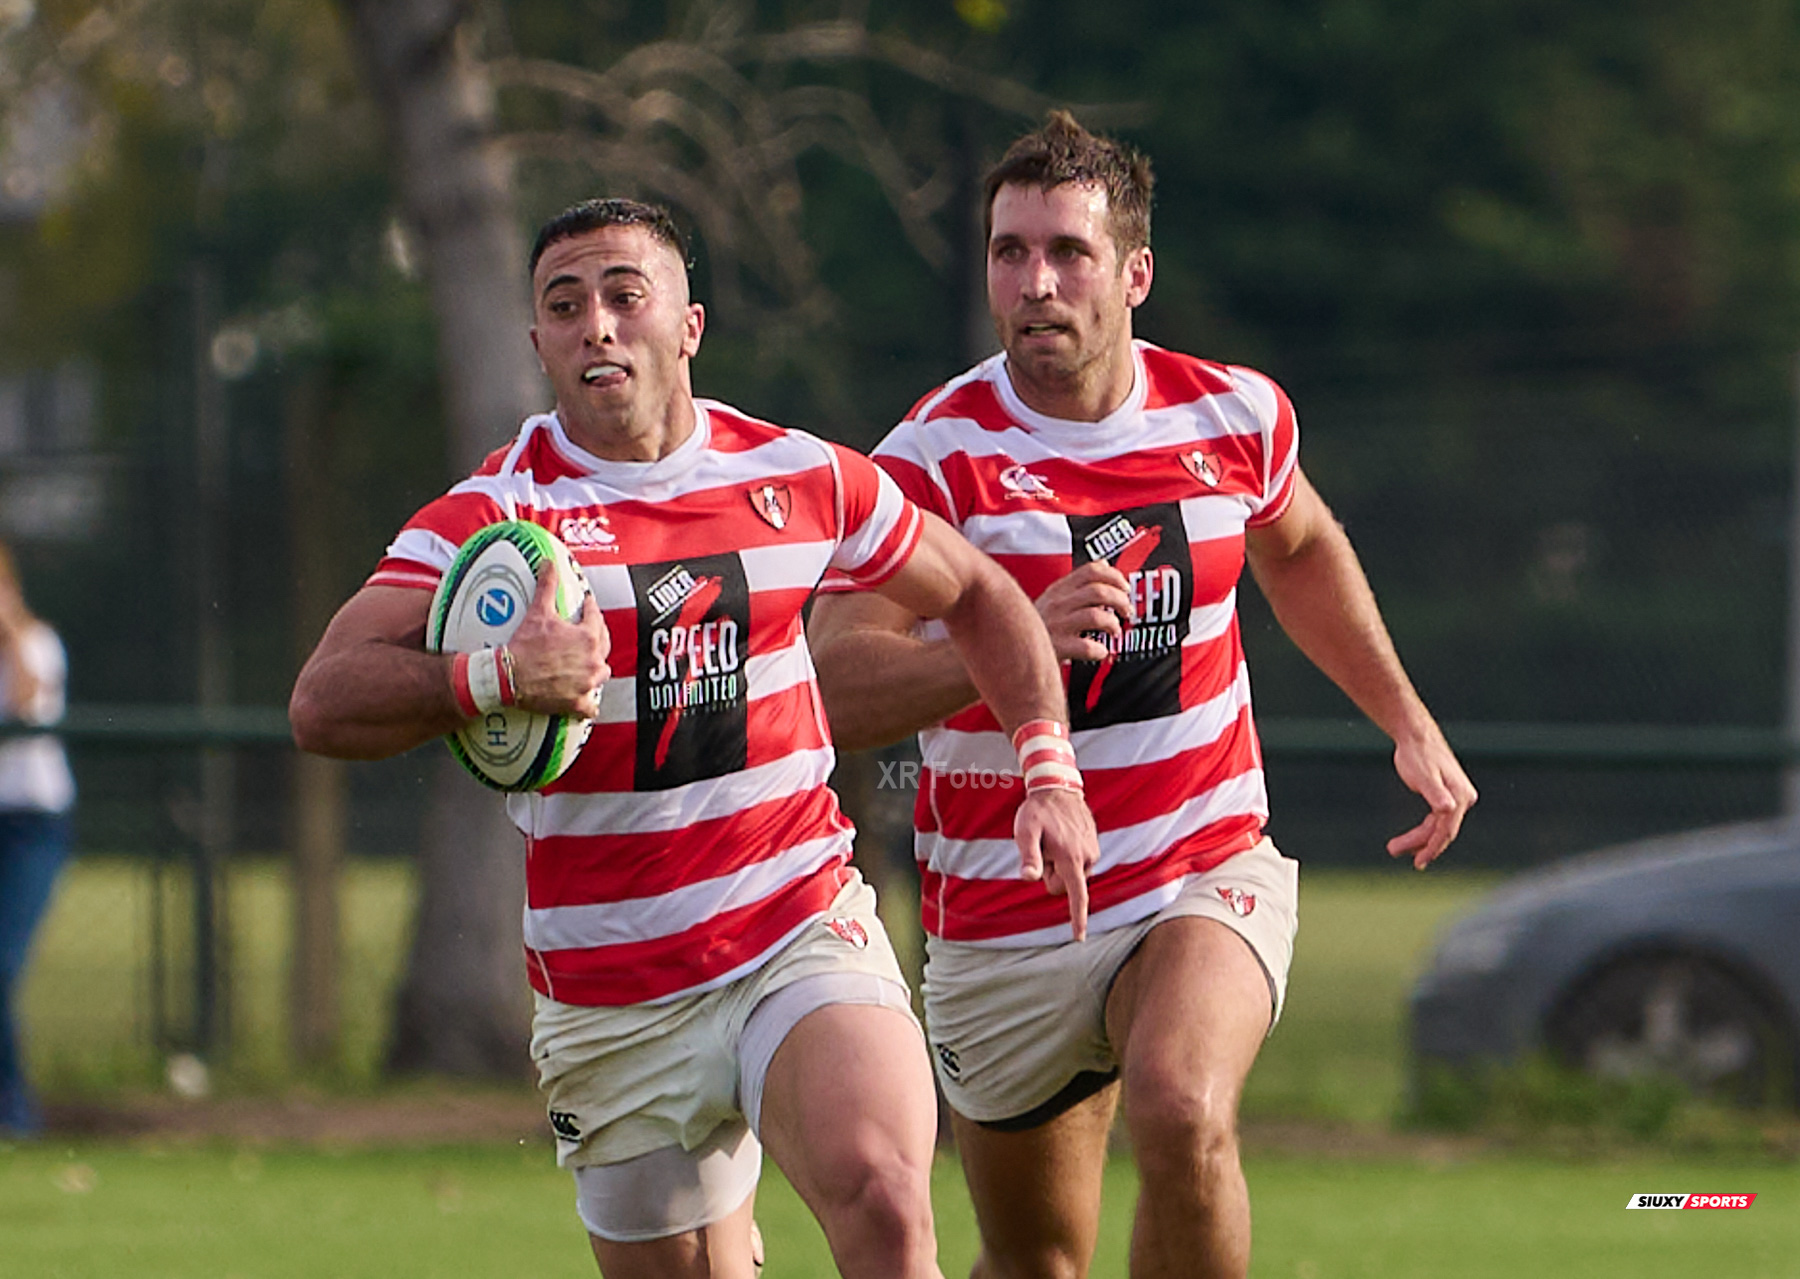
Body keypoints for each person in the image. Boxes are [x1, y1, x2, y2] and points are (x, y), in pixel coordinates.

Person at [289, 197, 1098, 1279]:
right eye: (565, 307)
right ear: (537, 344)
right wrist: (493, 674)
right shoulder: (490, 519)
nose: (598, 327)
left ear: (689, 324)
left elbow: (984, 593)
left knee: (888, 1198)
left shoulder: (799, 476)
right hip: (610, 988)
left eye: (625, 295)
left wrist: (1049, 770)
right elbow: (322, 700)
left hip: (792, 928)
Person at [807, 112, 1478, 1279]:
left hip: (1198, 859)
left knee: (1181, 1102)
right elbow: (835, 682)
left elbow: (1302, 548)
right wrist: (1007, 642)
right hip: (1010, 912)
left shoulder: (1233, 417)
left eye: (1067, 252)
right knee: (1037, 1264)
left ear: (1135, 273)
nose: (1035, 282)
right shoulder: (931, 459)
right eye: (1009, 252)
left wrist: (1407, 719)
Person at [0, 540, 76, 1138]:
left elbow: (28, 706)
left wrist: (8, 631)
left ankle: (15, 1113)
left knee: (1, 965)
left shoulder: (36, 644)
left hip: (31, 825)